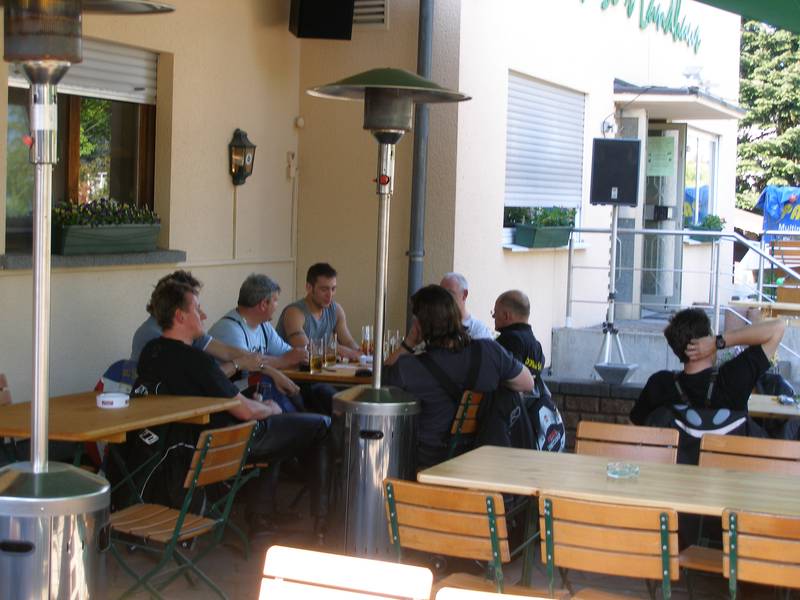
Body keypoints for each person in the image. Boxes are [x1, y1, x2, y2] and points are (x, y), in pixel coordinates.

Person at [136, 278, 331, 538]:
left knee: (275, 422)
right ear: (180, 316)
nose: (204, 315)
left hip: (180, 445)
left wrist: (258, 399)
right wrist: (270, 408)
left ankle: (262, 514)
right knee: (321, 424)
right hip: (221, 446)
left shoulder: (151, 352)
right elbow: (245, 412)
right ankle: (322, 522)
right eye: (197, 309)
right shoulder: (198, 362)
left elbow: (220, 391)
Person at [384, 285, 533, 468]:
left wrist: (408, 343)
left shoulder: (409, 368)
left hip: (430, 463)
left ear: (419, 325)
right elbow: (528, 383)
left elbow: (380, 387)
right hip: (479, 458)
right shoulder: (488, 351)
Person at [631, 307, 785, 461]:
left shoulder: (659, 383)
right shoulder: (734, 377)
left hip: (673, 473)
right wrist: (719, 341)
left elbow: (632, 430)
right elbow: (778, 328)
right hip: (728, 472)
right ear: (706, 341)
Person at [130, 270, 263, 379]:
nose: (203, 315)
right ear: (178, 311)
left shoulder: (185, 331)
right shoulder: (154, 337)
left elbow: (227, 352)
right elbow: (202, 379)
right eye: (194, 307)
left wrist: (264, 365)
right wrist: (237, 364)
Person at [208, 274, 308, 408]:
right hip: (230, 398)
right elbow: (250, 367)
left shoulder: (263, 325)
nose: (277, 306)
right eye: (275, 300)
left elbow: (288, 354)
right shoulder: (229, 329)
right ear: (264, 304)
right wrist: (283, 361)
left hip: (253, 394)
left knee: (316, 391)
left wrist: (299, 356)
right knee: (267, 381)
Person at [275, 263, 361, 360]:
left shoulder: (336, 310)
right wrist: (337, 349)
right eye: (324, 289)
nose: (330, 295)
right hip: (289, 368)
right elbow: (305, 349)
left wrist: (360, 353)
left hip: (317, 367)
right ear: (309, 287)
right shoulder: (294, 312)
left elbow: (348, 342)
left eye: (333, 289)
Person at [492, 290, 544, 379]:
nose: (493, 316)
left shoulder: (508, 340)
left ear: (506, 315)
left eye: (495, 312)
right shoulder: (537, 347)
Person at [440, 272, 494, 340]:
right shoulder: (436, 325)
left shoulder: (479, 330)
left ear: (464, 294)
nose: (444, 298)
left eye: (450, 294)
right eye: (441, 294)